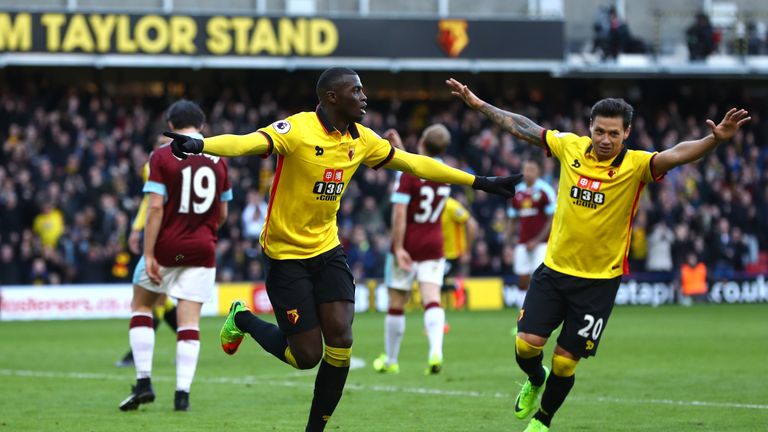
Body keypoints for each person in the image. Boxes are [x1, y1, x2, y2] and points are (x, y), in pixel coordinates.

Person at [164, 67, 521, 431]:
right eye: (356, 91)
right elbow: (247, 142)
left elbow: (415, 163)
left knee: (342, 339)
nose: (364, 97)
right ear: (332, 97)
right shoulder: (298, 130)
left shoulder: (362, 139)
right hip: (285, 256)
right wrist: (201, 145)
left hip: (328, 251)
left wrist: (480, 182)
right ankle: (241, 319)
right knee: (305, 356)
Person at [447, 77, 750, 432]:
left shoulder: (637, 165)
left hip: (599, 283)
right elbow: (525, 128)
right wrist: (480, 105)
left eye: (614, 134)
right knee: (526, 346)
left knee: (565, 363)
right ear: (590, 127)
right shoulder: (569, 147)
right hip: (554, 271)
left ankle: (543, 421)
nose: (606, 140)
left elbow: (678, 154)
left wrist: (713, 139)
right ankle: (533, 377)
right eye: (600, 131)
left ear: (627, 134)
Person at [119, 100, 232, 412]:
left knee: (142, 305)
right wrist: (204, 231)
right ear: (202, 125)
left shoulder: (161, 156)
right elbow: (222, 213)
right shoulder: (219, 159)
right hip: (203, 248)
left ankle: (143, 381)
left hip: (168, 246)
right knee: (189, 322)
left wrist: (149, 252)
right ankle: (182, 395)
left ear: (170, 123)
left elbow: (155, 207)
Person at [372, 124, 454, 375]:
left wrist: (398, 247)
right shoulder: (444, 171)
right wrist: (401, 148)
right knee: (432, 299)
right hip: (434, 243)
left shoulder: (408, 174)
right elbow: (420, 170)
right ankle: (435, 352)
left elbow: (400, 211)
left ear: (422, 142)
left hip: (408, 242)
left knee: (397, 302)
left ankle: (391, 360)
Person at [115, 134, 179, 368]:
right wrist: (136, 228)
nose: (164, 147)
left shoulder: (185, 164)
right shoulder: (150, 166)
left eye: (167, 143)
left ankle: (137, 353)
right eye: (160, 143)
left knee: (151, 295)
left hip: (173, 237)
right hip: (161, 235)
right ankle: (187, 337)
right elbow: (149, 201)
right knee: (160, 296)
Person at [506, 158, 556, 301]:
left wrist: (536, 240)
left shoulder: (545, 190)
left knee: (539, 277)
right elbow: (512, 219)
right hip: (522, 242)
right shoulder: (518, 192)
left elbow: (551, 218)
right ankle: (521, 314)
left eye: (532, 170)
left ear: (538, 171)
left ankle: (540, 310)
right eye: (526, 170)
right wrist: (508, 245)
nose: (528, 173)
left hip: (541, 243)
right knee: (522, 278)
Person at [441, 193, 478, 310]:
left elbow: (472, 225)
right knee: (436, 283)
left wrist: (467, 250)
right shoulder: (432, 205)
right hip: (438, 253)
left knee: (436, 283)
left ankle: (459, 291)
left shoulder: (451, 205)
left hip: (452, 253)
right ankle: (457, 293)